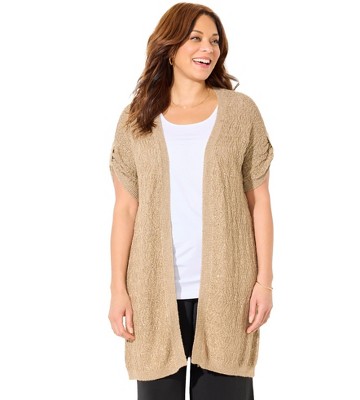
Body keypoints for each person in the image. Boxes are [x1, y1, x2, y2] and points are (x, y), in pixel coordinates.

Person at [108, 3, 274, 400]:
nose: (208, 48)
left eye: (214, 41)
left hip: (229, 290)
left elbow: (260, 203)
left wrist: (264, 282)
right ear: (170, 48)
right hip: (152, 292)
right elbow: (125, 210)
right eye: (195, 38)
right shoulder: (136, 119)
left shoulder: (241, 112)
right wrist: (118, 289)